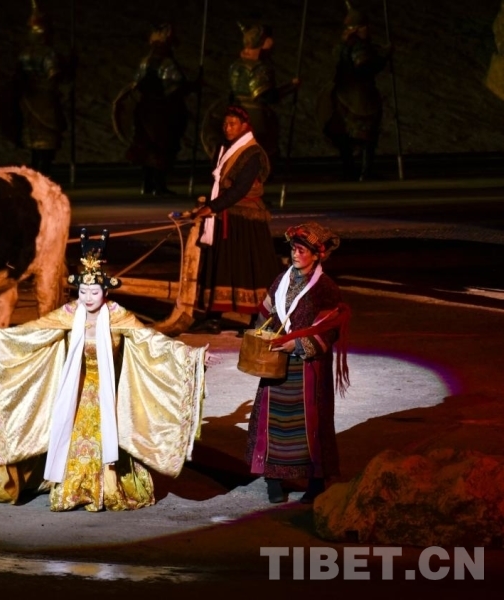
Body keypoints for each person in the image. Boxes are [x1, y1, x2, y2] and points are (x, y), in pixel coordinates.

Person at [0, 229, 217, 512]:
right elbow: (30, 332)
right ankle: (71, 487)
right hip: (72, 390)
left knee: (104, 436)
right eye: (83, 292)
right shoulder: (69, 313)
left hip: (108, 392)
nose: (87, 298)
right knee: (61, 431)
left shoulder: (117, 315)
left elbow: (152, 341)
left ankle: (104, 488)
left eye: (94, 292)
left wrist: (192, 357)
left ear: (105, 292)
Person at [244, 222, 350, 504]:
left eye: (302, 250)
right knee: (273, 421)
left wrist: (299, 345)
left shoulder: (325, 288)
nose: (295, 254)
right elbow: (265, 314)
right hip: (275, 362)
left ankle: (315, 481)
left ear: (317, 255)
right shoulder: (281, 281)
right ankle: (273, 480)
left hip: (308, 367)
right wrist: (262, 338)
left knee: (310, 424)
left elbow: (329, 326)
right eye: (294, 248)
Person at [190, 105, 280, 335]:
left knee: (251, 269)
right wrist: (210, 206)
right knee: (222, 266)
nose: (227, 128)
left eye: (232, 124)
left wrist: (212, 207)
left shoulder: (252, 153)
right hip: (226, 215)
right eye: (225, 124)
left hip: (246, 221)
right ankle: (213, 318)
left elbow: (240, 189)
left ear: (244, 126)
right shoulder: (224, 149)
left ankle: (259, 320)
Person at [119, 23, 195, 196]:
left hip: (145, 108)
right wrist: (191, 86)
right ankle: (158, 185)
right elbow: (174, 87)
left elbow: (137, 82)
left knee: (147, 145)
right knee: (162, 145)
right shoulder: (166, 62)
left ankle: (147, 184)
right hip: (162, 111)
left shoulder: (145, 61)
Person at [319, 2, 390, 181]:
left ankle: (349, 170)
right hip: (359, 95)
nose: (368, 29)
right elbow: (364, 68)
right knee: (368, 136)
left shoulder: (342, 44)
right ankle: (365, 172)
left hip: (342, 93)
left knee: (345, 135)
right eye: (364, 26)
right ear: (358, 28)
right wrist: (384, 57)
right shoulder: (358, 46)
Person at [222, 23, 299, 164]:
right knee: (264, 150)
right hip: (256, 117)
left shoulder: (235, 66)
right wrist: (291, 87)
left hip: (235, 112)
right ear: (265, 43)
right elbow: (268, 97)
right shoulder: (259, 68)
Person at [12, 0, 69, 176]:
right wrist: (69, 68)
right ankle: (41, 176)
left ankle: (36, 175)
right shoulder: (48, 54)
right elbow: (54, 75)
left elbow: (18, 76)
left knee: (35, 144)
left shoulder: (23, 54)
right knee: (47, 142)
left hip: (27, 99)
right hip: (45, 101)